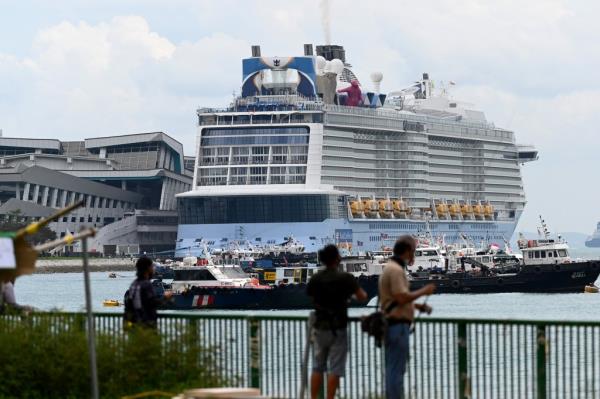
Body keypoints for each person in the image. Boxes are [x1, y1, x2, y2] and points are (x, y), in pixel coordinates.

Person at [307, 244, 368, 399]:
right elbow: (362, 296)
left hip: (319, 327)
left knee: (317, 367)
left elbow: (311, 296)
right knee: (335, 368)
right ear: (337, 259)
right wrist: (348, 296)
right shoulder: (344, 278)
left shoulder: (316, 278)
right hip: (337, 328)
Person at [379, 236, 436, 399]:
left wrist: (418, 307)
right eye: (414, 251)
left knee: (393, 368)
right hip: (397, 326)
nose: (414, 255)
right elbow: (401, 297)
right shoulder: (396, 271)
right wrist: (424, 291)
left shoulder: (389, 268)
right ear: (407, 251)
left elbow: (393, 299)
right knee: (396, 371)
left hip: (392, 324)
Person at [124, 256, 172, 329]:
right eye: (152, 267)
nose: (153, 269)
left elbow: (129, 304)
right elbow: (152, 303)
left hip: (134, 325)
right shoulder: (146, 284)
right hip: (146, 326)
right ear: (148, 268)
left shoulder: (133, 284)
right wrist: (165, 297)